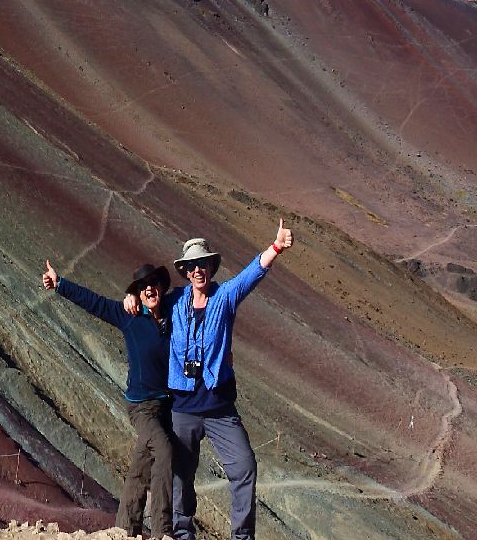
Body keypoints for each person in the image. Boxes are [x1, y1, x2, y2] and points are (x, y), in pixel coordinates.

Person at [138, 222, 292, 540]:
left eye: (203, 264)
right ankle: (182, 533)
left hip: (219, 405)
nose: (198, 270)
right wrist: (132, 302)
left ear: (211, 266)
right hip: (183, 407)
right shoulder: (174, 301)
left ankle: (242, 536)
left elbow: (252, 274)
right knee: (181, 475)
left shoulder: (225, 297)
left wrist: (275, 247)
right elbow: (147, 300)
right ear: (185, 271)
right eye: (192, 266)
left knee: (244, 467)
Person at [43, 259, 175, 537]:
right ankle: (163, 532)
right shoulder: (130, 316)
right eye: (142, 287)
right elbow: (96, 303)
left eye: (153, 284)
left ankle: (125, 529)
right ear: (137, 294)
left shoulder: (173, 314)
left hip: (167, 406)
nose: (149, 290)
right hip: (142, 407)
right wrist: (61, 284)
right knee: (163, 451)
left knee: (141, 466)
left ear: (162, 287)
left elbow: (196, 295)